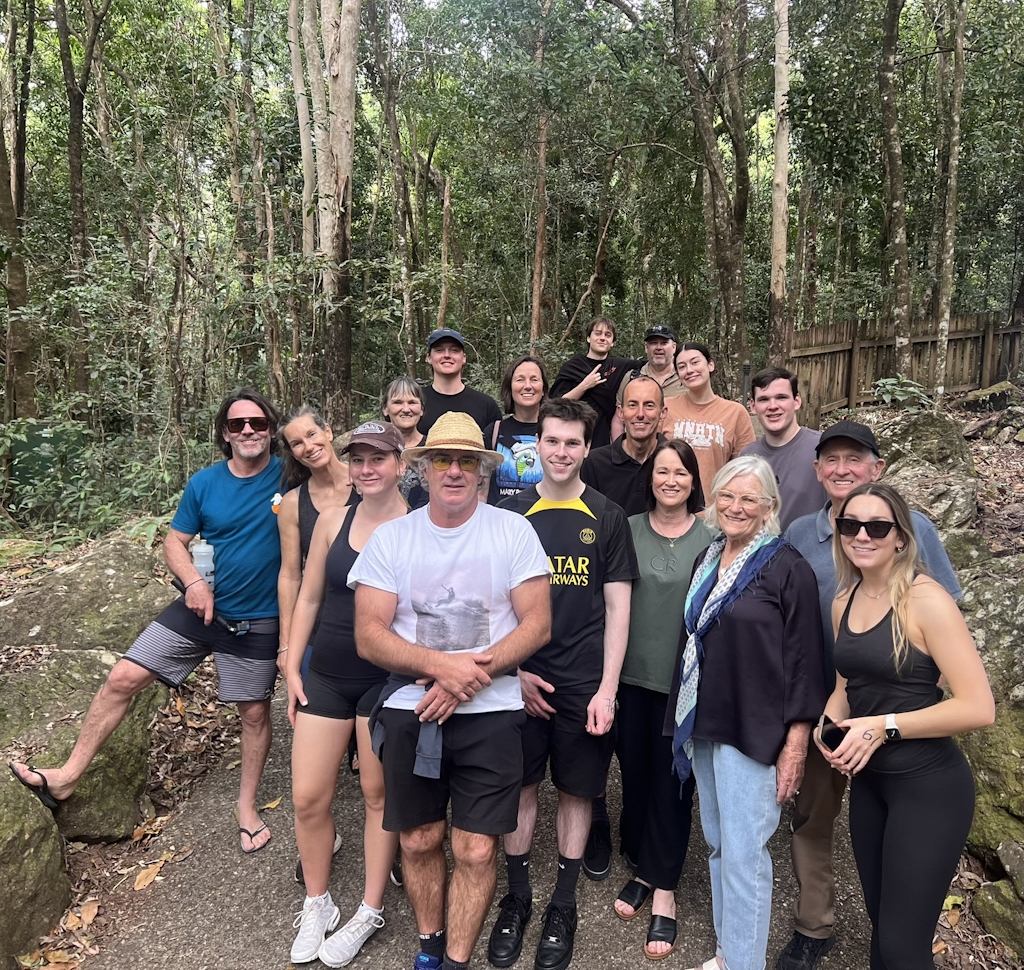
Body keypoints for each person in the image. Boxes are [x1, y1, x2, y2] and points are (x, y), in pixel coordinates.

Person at [10, 390, 283, 854]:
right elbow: (174, 541)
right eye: (237, 424)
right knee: (122, 678)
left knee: (253, 713)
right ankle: (66, 777)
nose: (248, 431)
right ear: (224, 433)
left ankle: (246, 807)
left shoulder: (289, 476)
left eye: (257, 422)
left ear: (271, 430)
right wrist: (193, 582)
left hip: (256, 617)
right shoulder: (205, 483)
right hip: (198, 608)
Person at [350, 411, 552, 970]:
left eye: (467, 460)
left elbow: (537, 624)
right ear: (424, 468)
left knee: (477, 847)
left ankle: (457, 961)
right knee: (417, 839)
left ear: (483, 471)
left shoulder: (513, 531)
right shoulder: (393, 539)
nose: (455, 471)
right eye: (443, 459)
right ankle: (430, 946)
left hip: (494, 709)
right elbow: (369, 633)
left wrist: (466, 678)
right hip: (411, 706)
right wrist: (442, 667)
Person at [777, 419, 964, 970]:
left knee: (902, 940)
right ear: (817, 470)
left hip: (911, 745)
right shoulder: (808, 546)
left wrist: (901, 711)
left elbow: (966, 681)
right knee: (817, 824)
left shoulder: (919, 551)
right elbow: (813, 648)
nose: (862, 535)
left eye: (854, 459)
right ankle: (813, 926)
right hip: (839, 724)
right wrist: (818, 722)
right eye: (830, 459)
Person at [817, 482, 993, 970]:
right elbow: (845, 687)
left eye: (877, 527)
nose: (862, 536)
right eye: (850, 525)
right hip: (870, 787)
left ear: (900, 537)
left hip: (929, 789)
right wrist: (827, 729)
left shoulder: (926, 600)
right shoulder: (844, 600)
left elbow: (979, 707)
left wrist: (883, 727)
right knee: (884, 932)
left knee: (902, 947)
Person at [490, 397, 636, 970]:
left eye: (572, 442)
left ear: (586, 447)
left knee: (578, 790)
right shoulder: (509, 514)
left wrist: (607, 690)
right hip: (520, 679)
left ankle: (564, 903)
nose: (561, 451)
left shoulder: (608, 515)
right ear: (536, 444)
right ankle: (518, 896)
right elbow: (493, 604)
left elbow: (618, 609)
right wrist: (513, 671)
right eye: (551, 440)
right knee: (521, 787)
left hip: (582, 682)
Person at [669, 455, 825, 970]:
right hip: (708, 719)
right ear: (714, 500)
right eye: (727, 496)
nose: (736, 507)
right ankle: (728, 953)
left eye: (748, 499)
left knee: (745, 855)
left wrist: (796, 745)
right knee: (719, 845)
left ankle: (743, 963)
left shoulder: (787, 567)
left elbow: (805, 663)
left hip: (756, 731)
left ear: (768, 507)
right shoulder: (709, 556)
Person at [284, 421, 409, 967]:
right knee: (308, 796)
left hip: (386, 679)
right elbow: (310, 596)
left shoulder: (418, 524)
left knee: (378, 795)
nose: (367, 469)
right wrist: (291, 662)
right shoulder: (333, 520)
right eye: (357, 459)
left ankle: (369, 908)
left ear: (400, 464)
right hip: (328, 672)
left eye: (378, 458)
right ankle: (318, 901)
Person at [614, 439, 711, 961]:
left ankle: (665, 888)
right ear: (649, 478)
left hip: (685, 685)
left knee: (674, 783)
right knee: (635, 775)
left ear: (694, 481)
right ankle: (643, 868)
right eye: (662, 471)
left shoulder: (712, 538)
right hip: (631, 677)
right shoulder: (626, 528)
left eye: (681, 473)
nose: (670, 480)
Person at [276, 405, 356, 680]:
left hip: (373, 624)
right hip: (319, 628)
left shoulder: (369, 482)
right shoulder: (293, 503)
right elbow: (290, 575)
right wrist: (286, 644)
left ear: (328, 432)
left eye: (312, 434)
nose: (309, 447)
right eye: (297, 443)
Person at [661, 343, 755, 497]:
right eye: (682, 367)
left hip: (714, 506)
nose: (689, 370)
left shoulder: (735, 412)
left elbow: (746, 468)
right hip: (669, 502)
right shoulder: (666, 407)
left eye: (695, 362)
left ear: (710, 365)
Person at [740, 367, 825, 530]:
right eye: (764, 399)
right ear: (753, 406)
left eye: (781, 397)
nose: (773, 406)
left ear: (797, 401)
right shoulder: (747, 456)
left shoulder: (822, 449)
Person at [581, 375, 668, 518]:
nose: (640, 414)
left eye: (649, 405)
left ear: (663, 413)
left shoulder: (677, 461)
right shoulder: (595, 463)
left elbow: (693, 515)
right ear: (621, 413)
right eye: (632, 405)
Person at [550, 316, 640, 449]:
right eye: (598, 333)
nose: (602, 338)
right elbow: (555, 405)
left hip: (602, 440)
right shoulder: (573, 367)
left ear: (612, 342)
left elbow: (651, 365)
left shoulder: (619, 366)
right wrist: (585, 385)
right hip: (573, 435)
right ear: (588, 338)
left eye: (608, 335)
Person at [483, 355, 548, 504]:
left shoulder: (554, 431)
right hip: (500, 516)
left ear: (543, 389)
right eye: (520, 380)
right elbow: (481, 487)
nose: (527, 386)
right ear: (510, 388)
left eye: (534, 379)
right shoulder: (494, 431)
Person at [418, 328, 502, 435]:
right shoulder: (415, 402)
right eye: (439, 350)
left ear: (464, 358)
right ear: (429, 358)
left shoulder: (486, 405)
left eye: (454, 350)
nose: (447, 355)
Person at [611, 324, 684, 440]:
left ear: (674, 347)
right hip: (637, 448)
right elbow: (618, 420)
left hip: (676, 448)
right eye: (654, 343)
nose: (658, 347)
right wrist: (618, 448)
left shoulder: (686, 378)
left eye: (664, 343)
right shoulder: (631, 377)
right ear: (646, 347)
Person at [383, 376, 429, 509]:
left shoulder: (432, 449)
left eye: (412, 402)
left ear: (422, 409)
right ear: (385, 409)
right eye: (397, 402)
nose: (406, 409)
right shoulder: (374, 449)